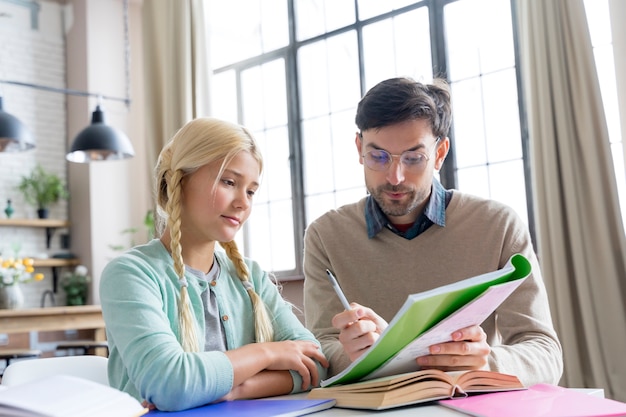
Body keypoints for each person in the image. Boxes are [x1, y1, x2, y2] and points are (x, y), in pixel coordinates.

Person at [303, 77, 563, 386]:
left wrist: (483, 361)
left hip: (467, 403)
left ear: (440, 153)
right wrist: (356, 354)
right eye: (378, 156)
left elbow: (545, 351)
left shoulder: (498, 225)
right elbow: (321, 349)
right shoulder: (325, 235)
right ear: (359, 149)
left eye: (413, 158)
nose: (395, 177)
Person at [100, 117, 328, 412]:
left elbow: (317, 364)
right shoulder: (131, 275)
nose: (243, 203)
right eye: (229, 182)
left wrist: (239, 388)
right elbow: (170, 385)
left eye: (251, 191)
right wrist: (267, 354)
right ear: (180, 182)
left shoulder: (251, 277)